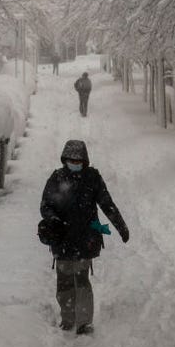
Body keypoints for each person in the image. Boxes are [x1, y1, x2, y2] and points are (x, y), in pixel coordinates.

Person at [40, 140, 129, 335]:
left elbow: (107, 204)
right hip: (61, 238)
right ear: (65, 159)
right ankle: (67, 319)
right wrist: (53, 220)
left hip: (85, 239)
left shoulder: (92, 178)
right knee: (64, 280)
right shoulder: (56, 178)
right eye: (71, 160)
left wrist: (121, 226)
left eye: (78, 160)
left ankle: (84, 322)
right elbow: (45, 205)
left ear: (85, 160)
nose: (75, 163)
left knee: (81, 279)